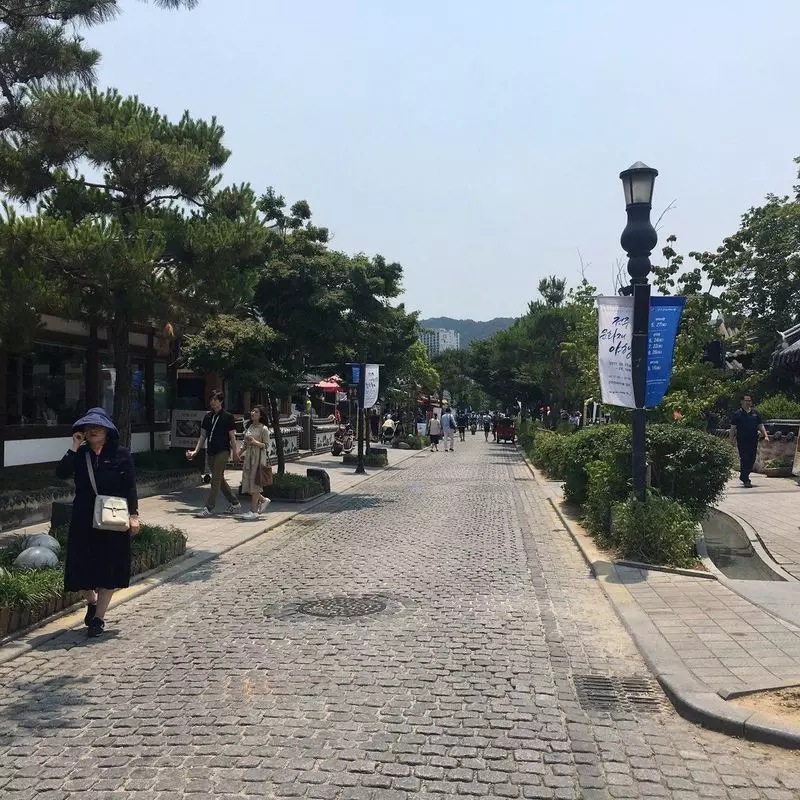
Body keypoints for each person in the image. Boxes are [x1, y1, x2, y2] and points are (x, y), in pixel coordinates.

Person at [56, 408, 140, 638]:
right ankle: (91, 601)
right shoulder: (80, 454)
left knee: (108, 567)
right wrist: (74, 446)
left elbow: (130, 487)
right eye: (89, 427)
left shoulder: (121, 454)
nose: (93, 430)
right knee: (80, 566)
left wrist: (133, 515)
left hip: (112, 518)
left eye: (98, 427)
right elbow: (61, 473)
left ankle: (99, 619)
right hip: (84, 517)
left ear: (107, 430)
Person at [186, 390, 242, 517]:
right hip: (211, 451)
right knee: (219, 479)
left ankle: (208, 507)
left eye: (215, 400)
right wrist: (195, 451)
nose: (212, 402)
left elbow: (232, 437)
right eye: (211, 399)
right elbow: (203, 435)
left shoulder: (228, 416)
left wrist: (235, 452)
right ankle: (235, 503)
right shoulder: (208, 417)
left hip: (223, 450)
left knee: (215, 479)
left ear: (221, 401)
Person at [239, 404, 271, 520]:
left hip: (258, 458)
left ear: (261, 415)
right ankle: (263, 500)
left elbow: (266, 445)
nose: (253, 413)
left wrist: (254, 442)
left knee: (255, 484)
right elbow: (245, 443)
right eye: (252, 411)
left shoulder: (264, 429)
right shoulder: (250, 427)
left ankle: (253, 511)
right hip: (249, 458)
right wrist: (238, 453)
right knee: (247, 483)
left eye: (256, 412)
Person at [730, 394, 769, 488]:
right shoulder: (737, 414)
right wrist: (731, 439)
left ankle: (743, 476)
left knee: (752, 459)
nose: (748, 402)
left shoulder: (755, 413)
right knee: (745, 459)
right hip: (742, 440)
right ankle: (746, 479)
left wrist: (766, 435)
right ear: (742, 402)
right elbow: (733, 428)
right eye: (746, 400)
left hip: (753, 440)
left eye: (749, 400)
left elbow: (760, 425)